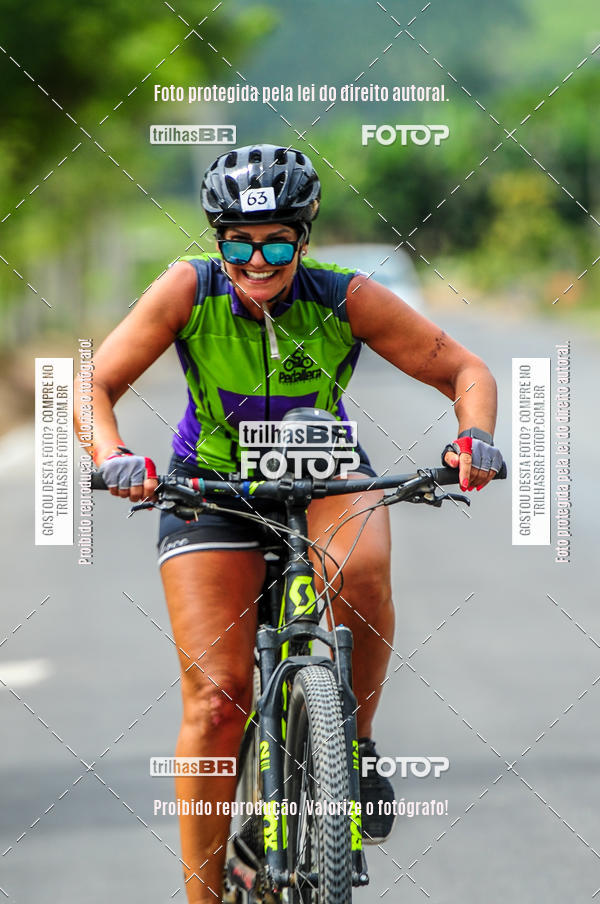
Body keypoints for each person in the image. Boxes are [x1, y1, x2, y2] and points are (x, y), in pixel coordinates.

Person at [75, 143, 504, 904]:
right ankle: (204, 896)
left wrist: (472, 437)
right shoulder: (188, 290)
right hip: (211, 484)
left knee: (364, 570)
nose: (257, 258)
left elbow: (464, 370)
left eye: (276, 240)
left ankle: (357, 749)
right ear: (217, 240)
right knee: (216, 703)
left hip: (325, 471)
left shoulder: (345, 296)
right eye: (238, 240)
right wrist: (113, 455)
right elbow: (95, 383)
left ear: (303, 238)